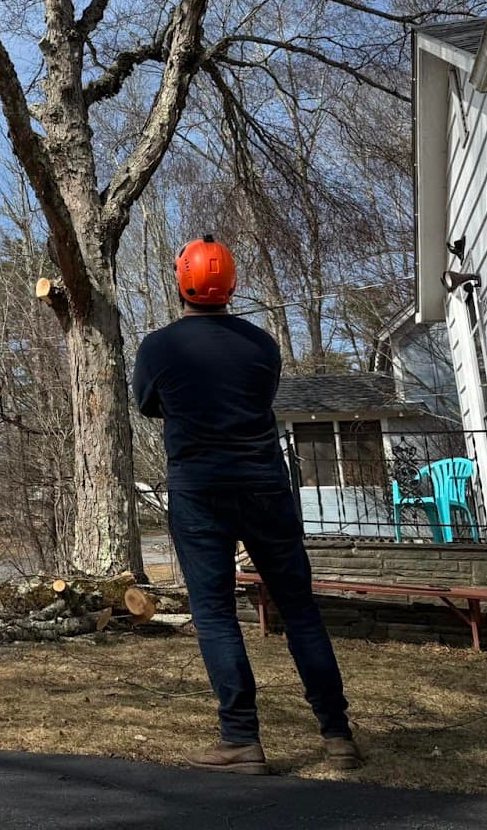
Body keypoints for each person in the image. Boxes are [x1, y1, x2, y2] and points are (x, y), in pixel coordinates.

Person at [131, 236, 360, 775]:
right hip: (265, 485)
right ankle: (338, 736)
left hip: (200, 490)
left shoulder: (158, 347)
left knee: (214, 614)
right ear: (230, 286)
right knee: (300, 610)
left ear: (180, 282)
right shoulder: (263, 345)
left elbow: (147, 404)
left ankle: (241, 740)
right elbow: (258, 398)